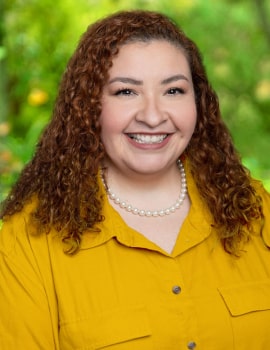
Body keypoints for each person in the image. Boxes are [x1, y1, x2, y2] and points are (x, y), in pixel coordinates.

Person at [0, 9, 270, 350]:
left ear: (198, 103)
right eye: (126, 92)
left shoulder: (256, 209)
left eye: (173, 91)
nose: (154, 116)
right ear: (88, 105)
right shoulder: (29, 238)